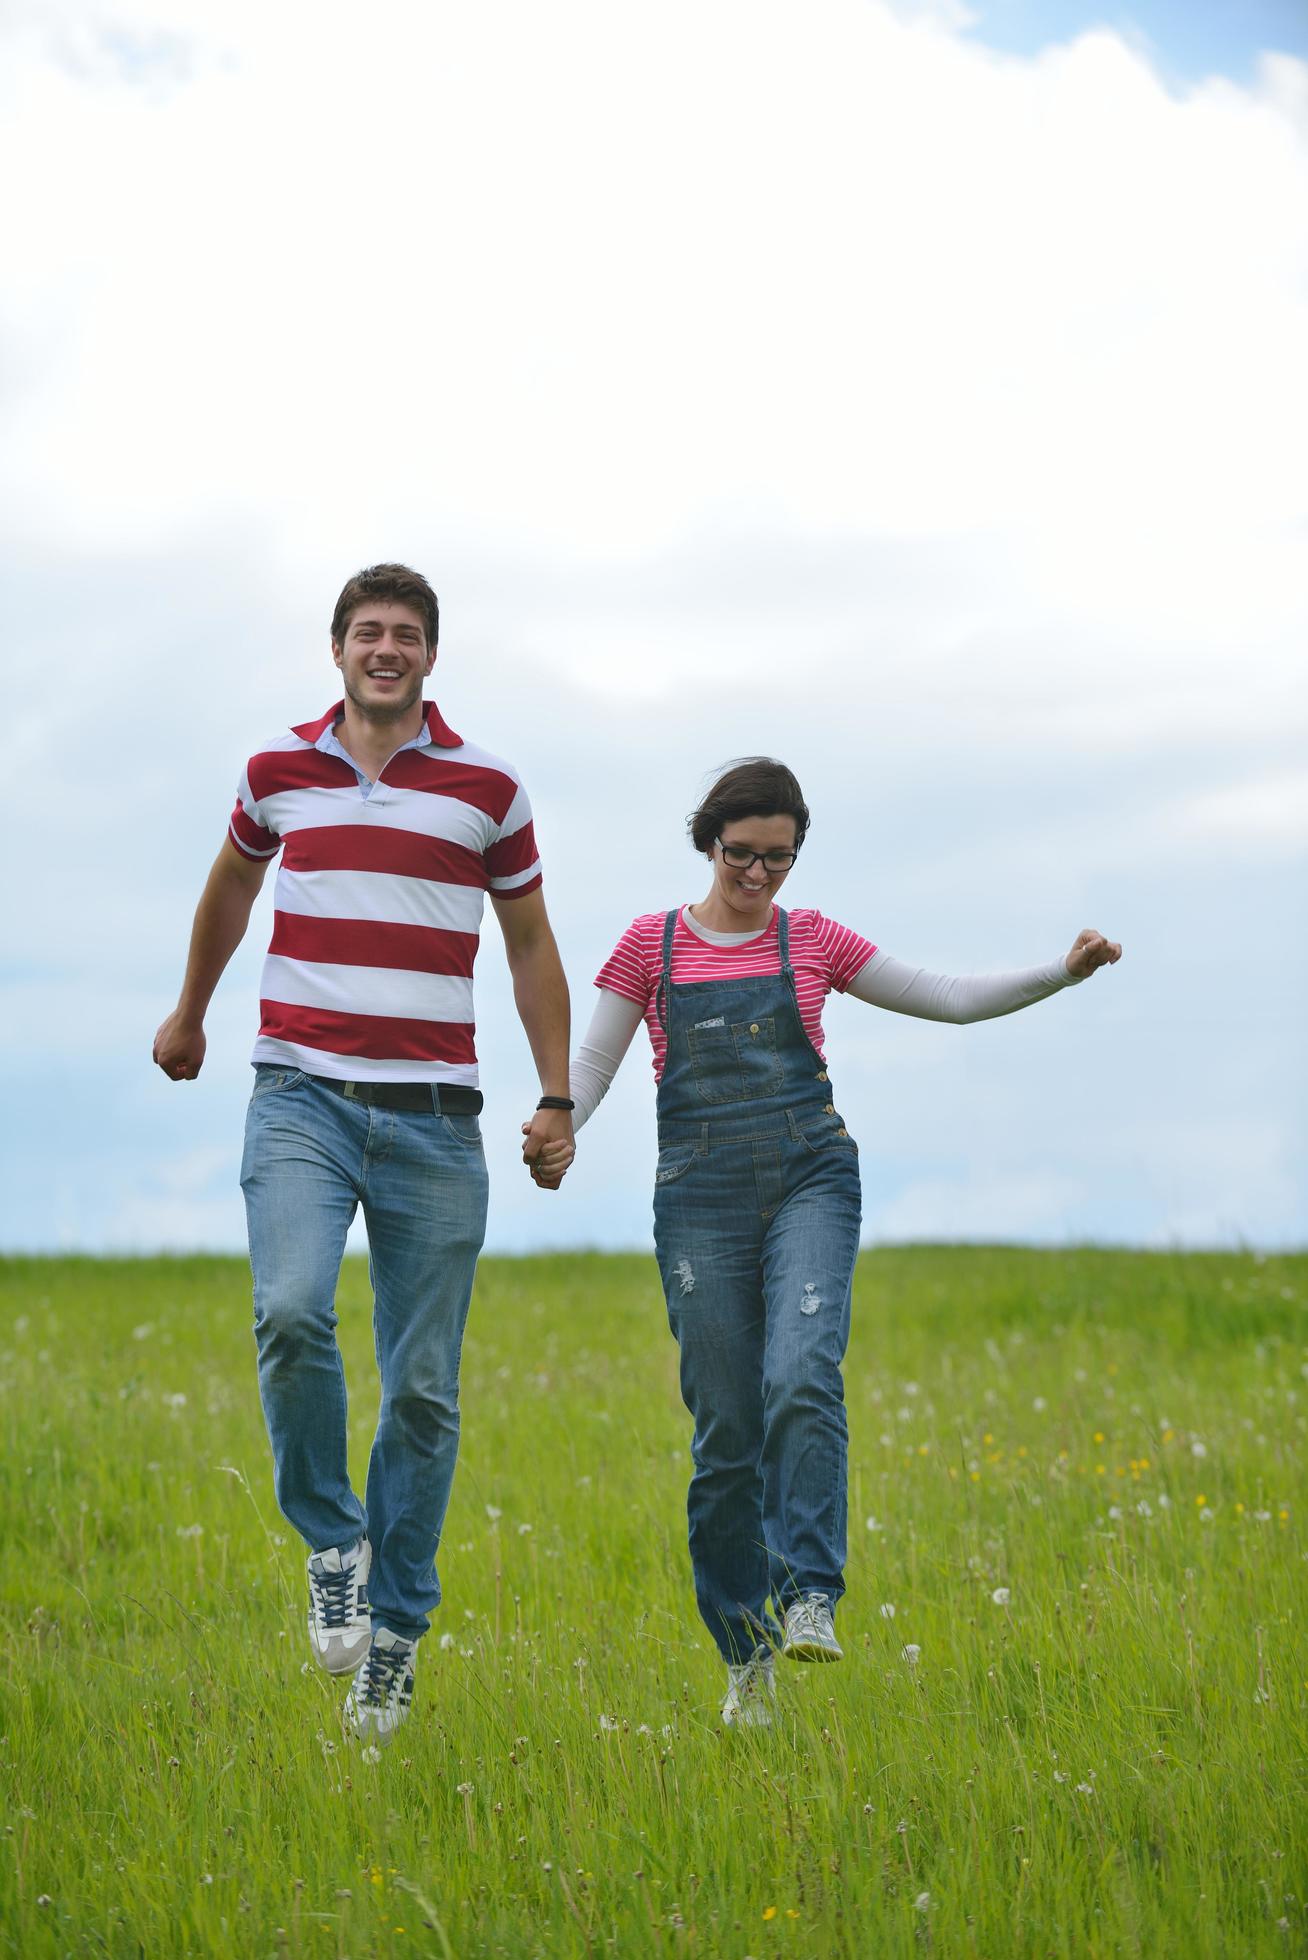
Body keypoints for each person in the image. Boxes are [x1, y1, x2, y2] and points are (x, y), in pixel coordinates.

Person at [535, 757, 1120, 1729]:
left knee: (802, 1373)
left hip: (810, 1178)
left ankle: (811, 1589)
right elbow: (592, 1063)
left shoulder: (814, 940)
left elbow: (946, 994)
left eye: (781, 857)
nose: (761, 875)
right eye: (742, 855)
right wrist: (559, 1121)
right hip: (700, 1200)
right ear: (706, 842)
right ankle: (745, 1652)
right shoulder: (651, 945)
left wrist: (1062, 971)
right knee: (725, 1435)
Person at [153, 563, 576, 1744]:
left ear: (431, 656)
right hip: (299, 1097)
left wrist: (557, 1097)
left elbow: (532, 940)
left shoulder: (489, 787)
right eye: (366, 632)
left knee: (425, 1390)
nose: (385, 648)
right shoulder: (274, 772)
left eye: (406, 635)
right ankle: (333, 1538)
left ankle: (392, 1639)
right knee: (291, 1311)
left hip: (438, 1116)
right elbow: (231, 891)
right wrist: (189, 1011)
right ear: (336, 649)